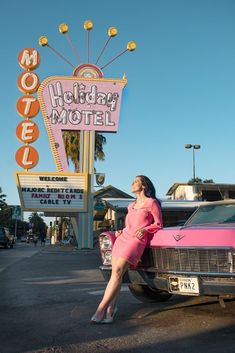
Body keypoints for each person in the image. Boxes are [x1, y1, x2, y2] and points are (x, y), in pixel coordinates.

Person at [91, 175, 163, 324]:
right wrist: (120, 232)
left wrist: (145, 229)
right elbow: (129, 226)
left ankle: (100, 310)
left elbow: (158, 224)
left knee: (117, 273)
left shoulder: (152, 203)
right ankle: (111, 311)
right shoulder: (131, 205)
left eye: (136, 181)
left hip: (136, 240)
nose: (132, 183)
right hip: (123, 239)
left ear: (144, 186)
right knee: (116, 275)